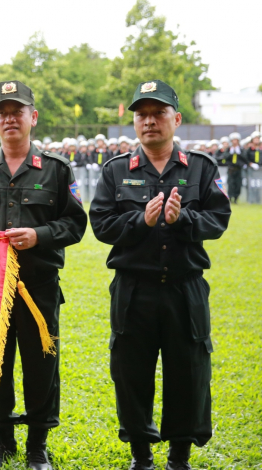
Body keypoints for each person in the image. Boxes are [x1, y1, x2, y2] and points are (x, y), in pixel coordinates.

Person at [89, 80, 231, 470]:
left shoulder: (201, 167)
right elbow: (101, 223)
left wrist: (182, 219)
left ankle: (179, 457)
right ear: (134, 122)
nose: (149, 122)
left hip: (184, 289)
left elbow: (219, 219)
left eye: (158, 113)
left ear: (176, 119)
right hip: (134, 289)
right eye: (142, 115)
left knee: (188, 370)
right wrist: (140, 220)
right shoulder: (116, 170)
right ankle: (141, 455)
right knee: (130, 371)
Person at [0, 81, 87, 470]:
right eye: (3, 112)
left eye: (18, 111)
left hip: (38, 287)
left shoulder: (58, 170)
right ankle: (3, 441)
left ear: (33, 117)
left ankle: (37, 446)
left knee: (41, 365)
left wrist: (38, 236)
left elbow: (75, 224)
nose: (10, 118)